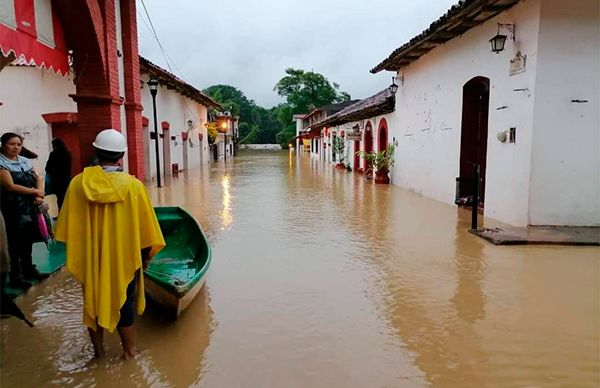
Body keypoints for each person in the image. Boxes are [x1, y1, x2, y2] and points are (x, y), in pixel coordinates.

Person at [55, 129, 165, 359]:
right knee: (125, 302)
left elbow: (67, 227)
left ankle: (99, 354)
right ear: (121, 156)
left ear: (96, 152)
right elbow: (146, 231)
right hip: (124, 257)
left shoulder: (78, 184)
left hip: (91, 257)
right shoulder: (133, 186)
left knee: (92, 301)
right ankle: (129, 352)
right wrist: (145, 259)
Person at [0, 133, 49, 289]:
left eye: (19, 145)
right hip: (11, 208)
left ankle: (28, 269)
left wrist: (39, 194)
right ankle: (15, 275)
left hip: (29, 208)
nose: (16, 147)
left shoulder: (25, 161)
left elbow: (38, 178)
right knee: (14, 242)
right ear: (3, 145)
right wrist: (35, 192)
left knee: (27, 240)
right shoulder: (2, 163)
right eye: (12, 144)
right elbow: (10, 186)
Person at [45, 138, 72, 209]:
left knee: (57, 197)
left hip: (56, 180)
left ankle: (58, 212)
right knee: (66, 196)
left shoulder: (53, 154)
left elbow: (48, 167)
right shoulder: (68, 153)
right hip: (66, 179)